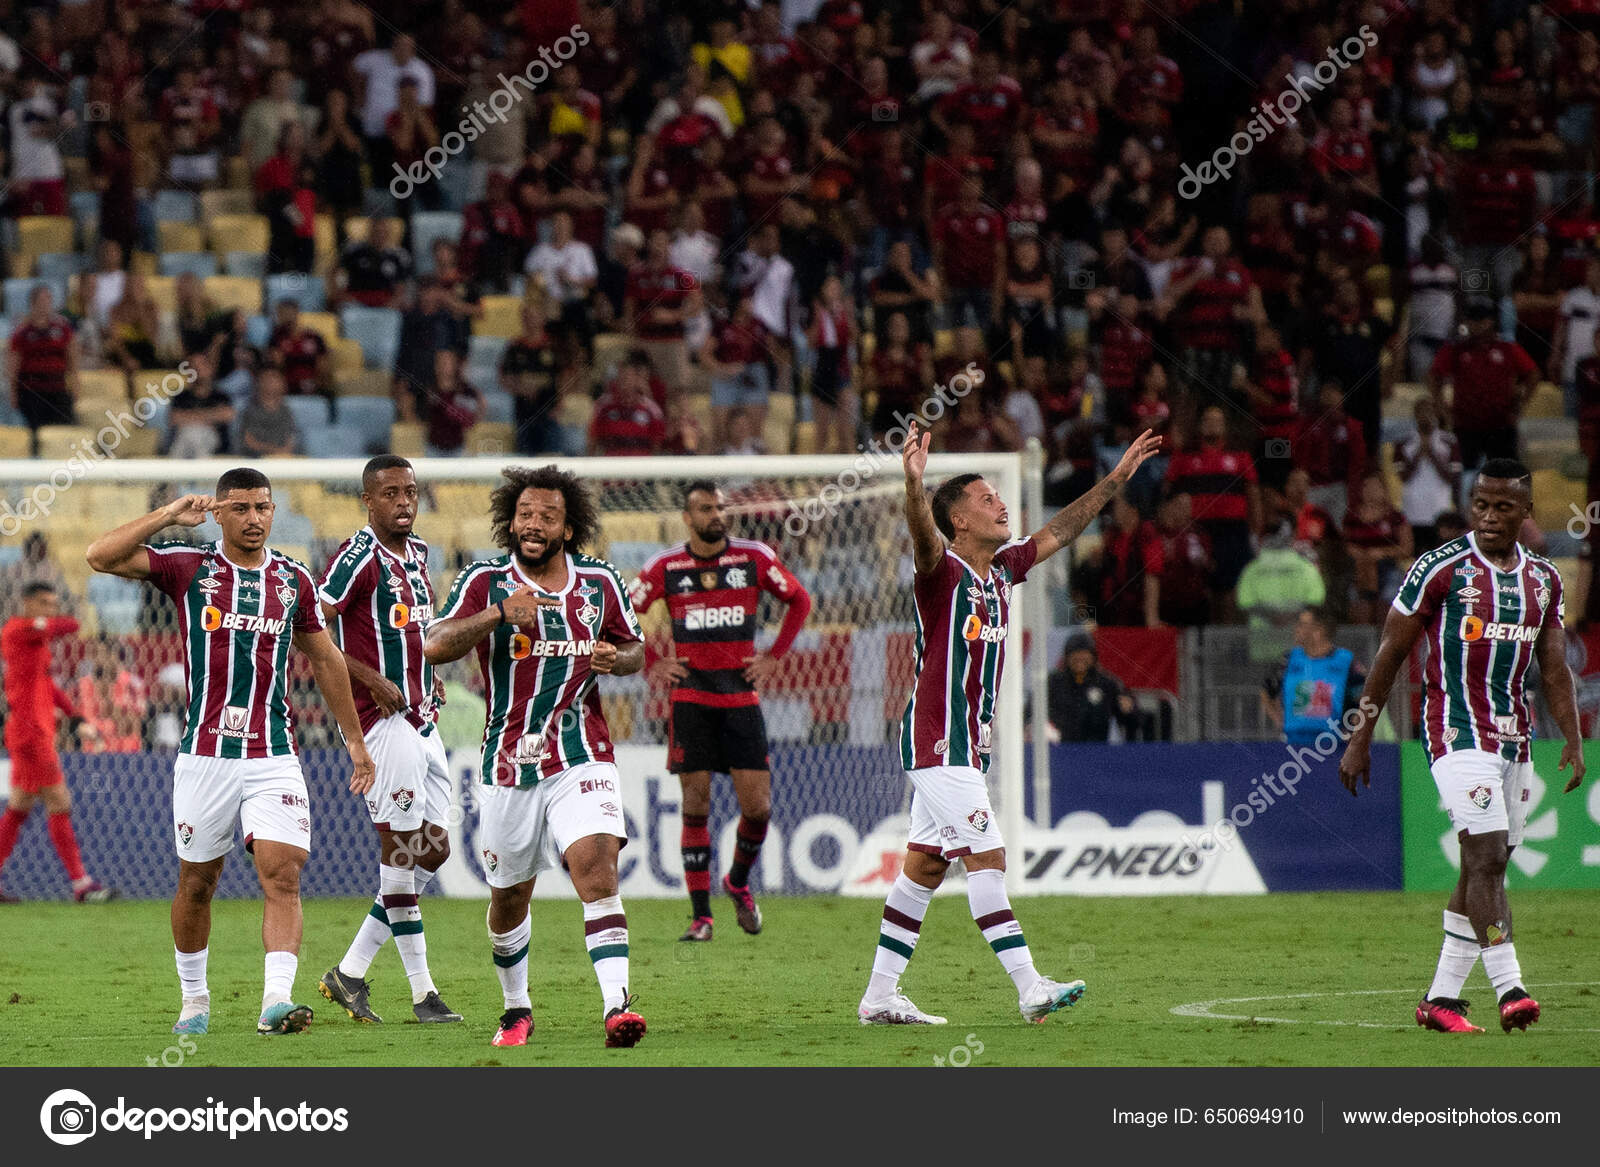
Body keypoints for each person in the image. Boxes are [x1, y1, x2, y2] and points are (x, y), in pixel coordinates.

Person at [857, 419, 1161, 1025]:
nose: (1001, 504)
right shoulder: (942, 575)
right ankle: (1030, 988)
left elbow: (1059, 530)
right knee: (988, 860)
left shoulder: (1002, 572)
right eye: (987, 500)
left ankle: (879, 997)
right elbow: (922, 536)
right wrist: (915, 487)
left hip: (966, 747)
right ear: (960, 521)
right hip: (937, 739)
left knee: (923, 867)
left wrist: (1114, 480)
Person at [84, 469, 376, 1037]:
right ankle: (194, 1002)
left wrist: (356, 743)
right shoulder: (191, 568)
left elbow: (326, 661)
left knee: (283, 874)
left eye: (262, 507)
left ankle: (276, 1004)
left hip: (274, 754)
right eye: (239, 507)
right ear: (219, 513)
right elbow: (99, 555)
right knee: (197, 883)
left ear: (272, 511)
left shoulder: (294, 580)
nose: (253, 518)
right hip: (204, 757)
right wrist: (169, 514)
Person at [1338, 459, 1585, 1036]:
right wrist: (1362, 733)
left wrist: (1572, 737)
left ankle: (1440, 1001)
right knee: (1487, 858)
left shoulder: (1545, 580)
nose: (1490, 517)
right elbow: (1389, 655)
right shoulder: (1438, 568)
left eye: (1504, 507)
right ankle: (1511, 987)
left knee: (1486, 867)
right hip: (1453, 730)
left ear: (1527, 512)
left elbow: (1553, 667)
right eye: (1481, 505)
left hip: (1515, 736)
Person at [423, 466, 649, 1050]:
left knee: (597, 870)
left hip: (581, 752)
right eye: (524, 514)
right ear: (510, 519)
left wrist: (613, 659)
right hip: (507, 763)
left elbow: (635, 650)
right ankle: (516, 1007)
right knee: (508, 897)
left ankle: (616, 1008)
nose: (533, 524)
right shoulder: (485, 578)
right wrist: (500, 614)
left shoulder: (598, 581)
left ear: (568, 528)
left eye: (547, 516)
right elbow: (434, 645)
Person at [631, 482, 812, 941]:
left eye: (721, 507)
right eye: (706, 508)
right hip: (690, 700)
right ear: (688, 518)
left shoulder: (753, 558)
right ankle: (701, 916)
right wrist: (655, 663)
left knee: (759, 808)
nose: (717, 514)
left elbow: (800, 600)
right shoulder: (665, 566)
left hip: (740, 700)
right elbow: (623, 614)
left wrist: (774, 657)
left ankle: (736, 881)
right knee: (696, 806)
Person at [317, 457, 461, 1026]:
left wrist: (427, 675)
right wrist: (371, 678)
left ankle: (349, 973)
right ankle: (423, 995)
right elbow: (313, 630)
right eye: (392, 494)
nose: (404, 502)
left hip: (422, 717)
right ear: (368, 502)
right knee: (399, 856)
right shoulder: (358, 557)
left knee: (436, 848)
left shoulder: (420, 554)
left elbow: (414, 631)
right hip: (381, 725)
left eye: (411, 492)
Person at [0, 584, 112, 903]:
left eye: (54, 603)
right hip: (31, 734)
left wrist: (75, 717)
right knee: (59, 802)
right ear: (27, 603)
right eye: (45, 604)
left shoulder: (36, 640)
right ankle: (80, 884)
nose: (51, 610)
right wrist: (62, 616)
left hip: (31, 732)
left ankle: (80, 884)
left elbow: (46, 684)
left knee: (19, 808)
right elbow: (71, 625)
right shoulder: (19, 630)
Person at [1261, 607, 1367, 744]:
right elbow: (1266, 691)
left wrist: (1354, 729)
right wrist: (1278, 720)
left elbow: (1365, 697)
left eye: (1302, 624)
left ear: (1319, 630)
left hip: (1333, 744)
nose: (1296, 628)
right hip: (1293, 743)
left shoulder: (1345, 661)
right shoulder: (1288, 660)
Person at [5, 284, 78, 449]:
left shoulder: (62, 328)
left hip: (57, 388)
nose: (45, 304)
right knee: (36, 434)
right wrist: (13, 392)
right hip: (32, 390)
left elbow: (72, 359)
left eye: (48, 299)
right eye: (42, 300)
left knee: (65, 430)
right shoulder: (22, 332)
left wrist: (75, 383)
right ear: (33, 303)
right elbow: (13, 365)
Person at [1395, 398, 1462, 554]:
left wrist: (1431, 454)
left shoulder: (1449, 441)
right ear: (1415, 414)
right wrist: (1419, 454)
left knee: (1439, 553)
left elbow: (1451, 478)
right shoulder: (1404, 442)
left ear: (1436, 414)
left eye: (1429, 411)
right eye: (1421, 412)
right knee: (1416, 553)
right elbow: (1403, 477)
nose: (1425, 416)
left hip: (1439, 506)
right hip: (1413, 507)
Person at [1047, 632, 1137, 742]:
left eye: (1084, 653)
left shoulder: (1107, 684)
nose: (1079, 657)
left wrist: (1129, 711)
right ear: (1067, 656)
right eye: (1074, 653)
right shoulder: (1053, 682)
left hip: (1096, 751)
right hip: (1060, 750)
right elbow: (1031, 712)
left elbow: (1131, 721)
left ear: (1093, 656)